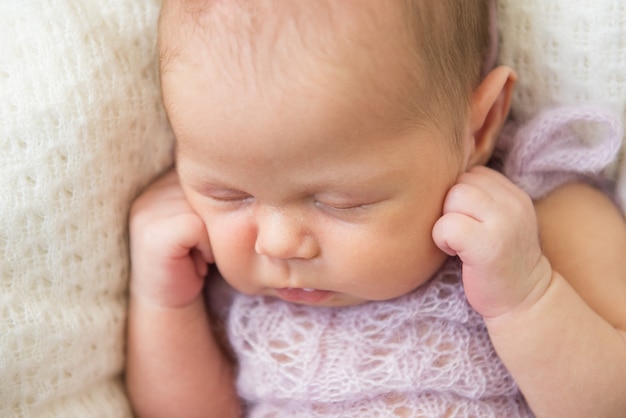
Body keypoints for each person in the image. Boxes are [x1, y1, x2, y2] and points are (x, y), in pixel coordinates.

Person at [125, 0, 626, 416]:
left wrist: (528, 298)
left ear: (476, 128)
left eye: (343, 202)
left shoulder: (536, 217)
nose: (277, 243)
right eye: (228, 195)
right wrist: (165, 303)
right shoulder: (228, 277)